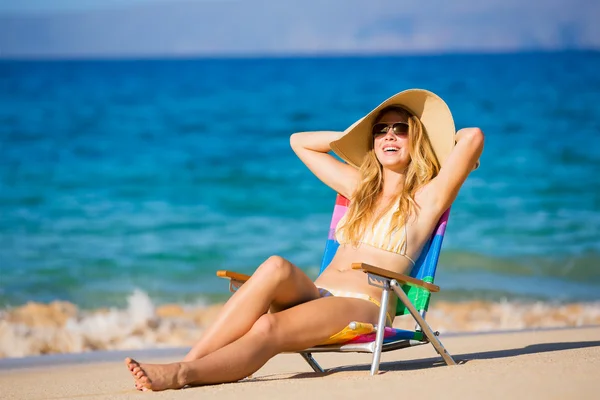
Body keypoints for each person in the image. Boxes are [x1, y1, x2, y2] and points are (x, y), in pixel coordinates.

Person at [124, 89, 484, 391]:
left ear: (415, 138)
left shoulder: (426, 199)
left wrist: (435, 142)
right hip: (318, 294)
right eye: (381, 130)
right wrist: (354, 135)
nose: (389, 136)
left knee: (268, 325)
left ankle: (183, 373)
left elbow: (472, 138)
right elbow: (300, 142)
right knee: (275, 266)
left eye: (401, 129)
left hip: (364, 304)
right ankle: (191, 360)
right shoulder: (359, 190)